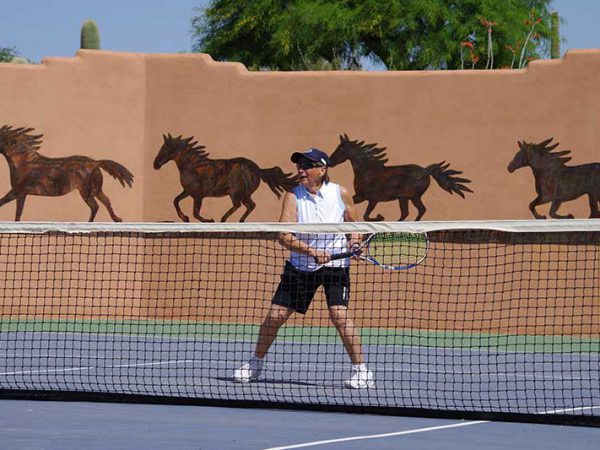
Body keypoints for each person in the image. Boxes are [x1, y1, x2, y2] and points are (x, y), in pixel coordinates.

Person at [233, 148, 374, 389]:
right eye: (299, 165)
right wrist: (312, 252)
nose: (301, 170)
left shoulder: (340, 193)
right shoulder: (293, 196)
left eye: (307, 166)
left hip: (336, 266)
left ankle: (362, 371)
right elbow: (283, 235)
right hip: (301, 266)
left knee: (339, 315)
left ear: (322, 169)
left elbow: (355, 225)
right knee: (276, 316)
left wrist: (355, 243)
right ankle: (255, 364)